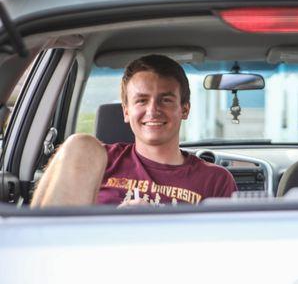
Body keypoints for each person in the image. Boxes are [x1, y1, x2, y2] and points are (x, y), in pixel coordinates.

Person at [31, 54, 237, 207]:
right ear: (126, 111)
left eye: (165, 100)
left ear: (184, 109)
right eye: (142, 100)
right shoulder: (96, 161)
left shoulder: (215, 179)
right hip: (92, 260)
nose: (153, 110)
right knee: (80, 143)